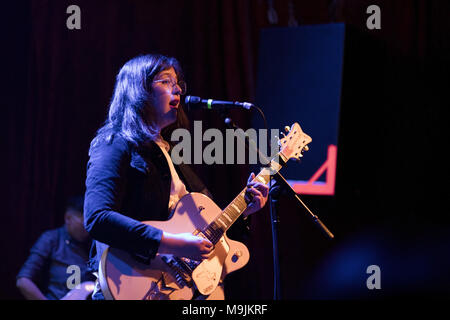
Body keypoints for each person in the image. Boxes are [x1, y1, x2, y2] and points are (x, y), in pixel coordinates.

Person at [83, 54, 269, 300]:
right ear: (138, 91)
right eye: (165, 81)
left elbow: (204, 235)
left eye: (178, 82)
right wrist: (174, 244)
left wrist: (246, 210)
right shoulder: (114, 143)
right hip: (133, 283)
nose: (178, 88)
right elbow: (97, 218)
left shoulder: (171, 155)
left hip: (180, 289)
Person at [16, 196, 94, 300]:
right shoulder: (51, 239)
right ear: (68, 218)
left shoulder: (93, 245)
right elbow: (23, 280)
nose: (86, 229)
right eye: (83, 223)